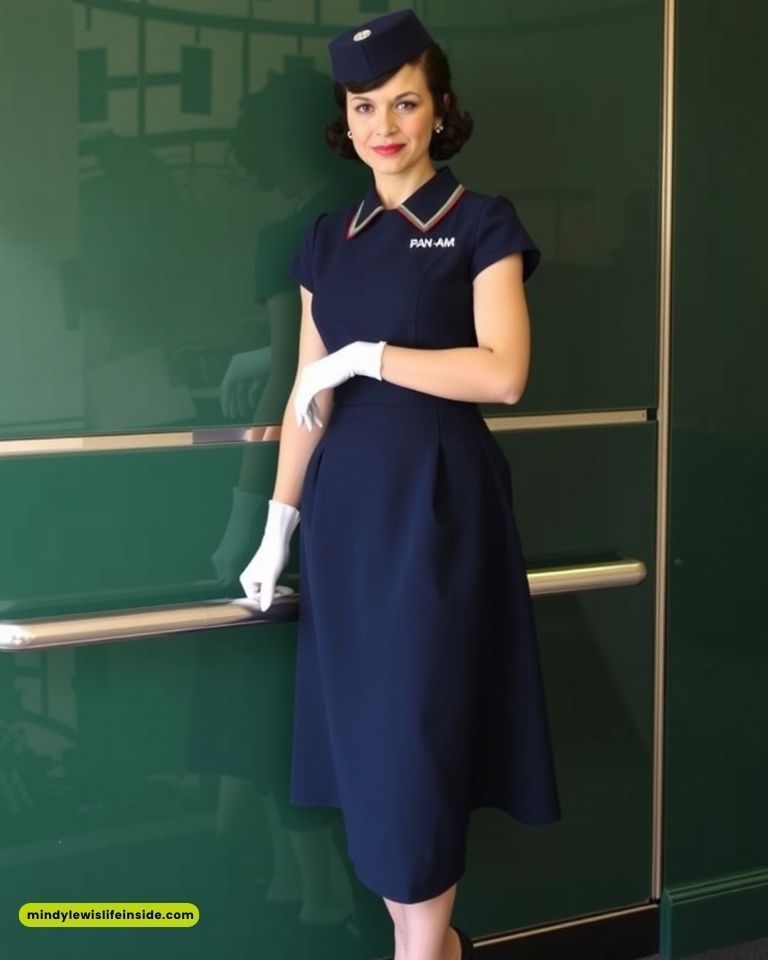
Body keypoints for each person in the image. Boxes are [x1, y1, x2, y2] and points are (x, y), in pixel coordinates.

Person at [239, 9, 562, 960]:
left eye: (405, 102)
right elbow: (309, 397)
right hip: (346, 519)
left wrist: (372, 356)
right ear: (347, 118)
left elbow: (504, 374)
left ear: (440, 111)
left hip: (438, 508)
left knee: (418, 738)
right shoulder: (327, 241)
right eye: (365, 104)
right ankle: (435, 946)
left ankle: (424, 951)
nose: (385, 123)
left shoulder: (481, 221)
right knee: (372, 744)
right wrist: (276, 527)